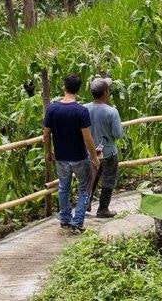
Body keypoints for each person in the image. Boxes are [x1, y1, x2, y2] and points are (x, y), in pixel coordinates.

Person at [42, 74, 100, 233]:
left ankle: (65, 219)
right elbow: (87, 138)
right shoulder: (81, 111)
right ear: (79, 89)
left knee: (63, 188)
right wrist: (94, 158)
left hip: (61, 157)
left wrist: (48, 152)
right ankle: (77, 222)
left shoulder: (52, 109)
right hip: (79, 157)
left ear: (64, 87)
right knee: (84, 188)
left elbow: (46, 134)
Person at [86, 76, 125, 218]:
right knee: (109, 179)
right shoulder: (111, 112)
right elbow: (118, 134)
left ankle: (86, 203)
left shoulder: (85, 109)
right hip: (108, 152)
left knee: (91, 178)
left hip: (90, 152)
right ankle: (103, 209)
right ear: (105, 93)